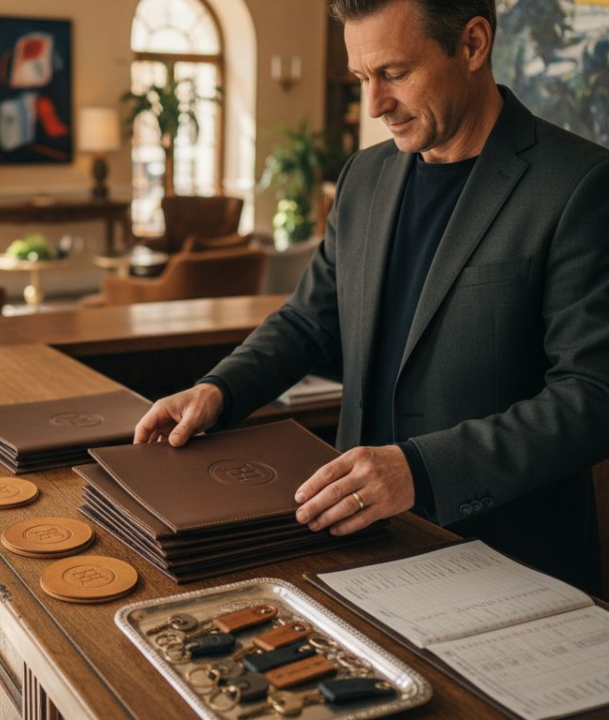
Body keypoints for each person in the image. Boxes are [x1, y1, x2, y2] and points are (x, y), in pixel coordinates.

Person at [133, 0, 609, 595]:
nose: (375, 104)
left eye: (395, 73)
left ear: (473, 44)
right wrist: (220, 389)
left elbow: (593, 397)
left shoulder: (580, 184)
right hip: (359, 547)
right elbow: (310, 319)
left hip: (510, 561)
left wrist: (421, 470)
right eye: (363, 78)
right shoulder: (364, 176)